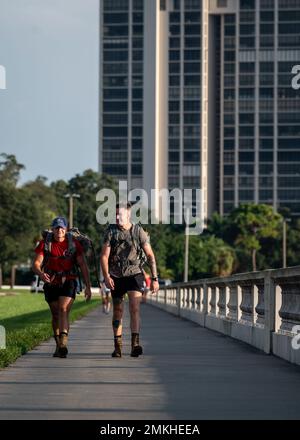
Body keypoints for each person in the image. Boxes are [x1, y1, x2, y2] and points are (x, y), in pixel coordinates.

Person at [100, 202, 159, 358]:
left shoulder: (138, 231)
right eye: (116, 214)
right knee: (118, 310)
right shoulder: (110, 232)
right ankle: (117, 346)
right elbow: (104, 256)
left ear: (128, 215)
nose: (118, 217)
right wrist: (106, 277)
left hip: (134, 274)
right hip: (116, 275)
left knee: (134, 308)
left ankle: (135, 344)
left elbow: (150, 256)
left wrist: (154, 278)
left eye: (121, 214)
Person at [32, 216, 92, 358]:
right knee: (55, 314)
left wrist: (88, 286)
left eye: (62, 227)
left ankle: (63, 343)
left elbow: (83, 265)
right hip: (51, 282)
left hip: (69, 280)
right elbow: (36, 264)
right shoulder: (45, 244)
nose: (59, 230)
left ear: (66, 229)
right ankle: (58, 344)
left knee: (63, 309)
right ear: (52, 229)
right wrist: (41, 274)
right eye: (57, 227)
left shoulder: (73, 244)